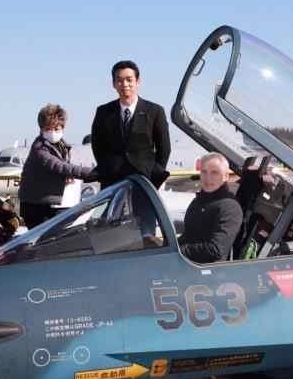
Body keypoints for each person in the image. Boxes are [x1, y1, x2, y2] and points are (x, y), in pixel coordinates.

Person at [91, 60, 171, 189]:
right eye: (119, 80)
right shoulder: (103, 112)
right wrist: (107, 168)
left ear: (137, 81)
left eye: (129, 80)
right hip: (112, 182)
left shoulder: (155, 111)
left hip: (144, 181)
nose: (125, 84)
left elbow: (164, 148)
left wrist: (155, 176)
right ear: (114, 84)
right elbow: (97, 146)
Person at [18, 104, 93, 228]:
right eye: (48, 129)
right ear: (41, 129)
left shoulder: (62, 146)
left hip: (58, 203)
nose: (52, 132)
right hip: (37, 207)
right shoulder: (39, 148)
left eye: (56, 129)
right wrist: (93, 173)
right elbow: (60, 166)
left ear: (62, 128)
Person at [178, 153, 243, 263]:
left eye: (214, 173)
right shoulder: (199, 200)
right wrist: (167, 246)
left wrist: (179, 251)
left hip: (206, 268)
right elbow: (189, 235)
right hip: (187, 262)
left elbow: (216, 250)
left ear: (226, 176)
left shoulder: (229, 207)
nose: (208, 178)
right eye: (204, 172)